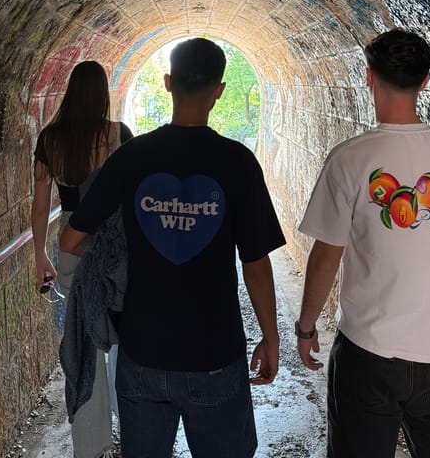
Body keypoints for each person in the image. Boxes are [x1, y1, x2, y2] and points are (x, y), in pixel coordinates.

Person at [60, 37, 285, 458]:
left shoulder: (131, 157)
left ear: (167, 83)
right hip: (215, 354)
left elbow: (70, 240)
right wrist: (271, 337)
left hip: (142, 353)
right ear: (219, 89)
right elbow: (255, 263)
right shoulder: (237, 162)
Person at [295, 28, 430, 458]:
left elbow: (327, 255)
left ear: (369, 78)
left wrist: (307, 326)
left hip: (369, 355)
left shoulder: (351, 158)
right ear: (425, 82)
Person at [31, 60, 133, 458]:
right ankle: (133, 428)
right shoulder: (117, 135)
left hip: (71, 243)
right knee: (124, 335)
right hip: (113, 243)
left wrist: (40, 256)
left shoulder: (50, 139)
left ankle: (92, 446)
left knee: (85, 339)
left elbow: (41, 208)